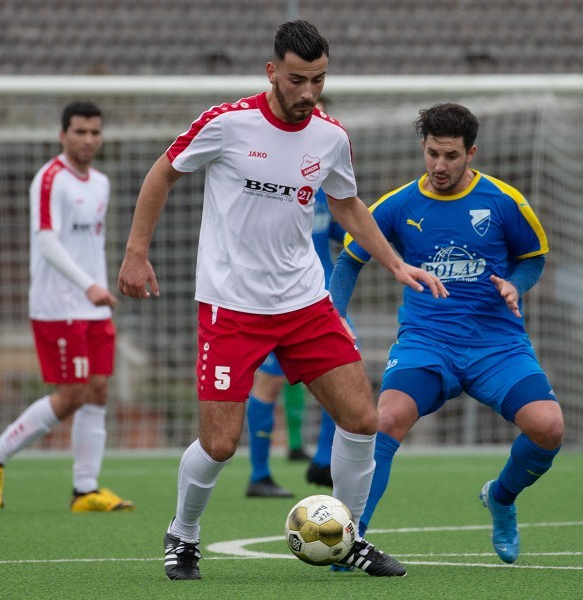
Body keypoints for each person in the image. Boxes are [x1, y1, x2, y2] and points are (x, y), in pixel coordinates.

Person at [116, 21, 446, 580]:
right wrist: (135, 251)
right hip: (231, 306)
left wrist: (395, 263)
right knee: (220, 444)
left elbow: (346, 203)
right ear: (272, 72)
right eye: (297, 79)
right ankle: (184, 533)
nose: (309, 92)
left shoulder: (330, 137)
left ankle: (350, 538)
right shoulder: (227, 123)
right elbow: (163, 174)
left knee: (362, 419)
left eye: (318, 80)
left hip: (304, 302)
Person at [328, 103, 564, 565]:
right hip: (426, 342)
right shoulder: (398, 205)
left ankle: (501, 497)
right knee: (386, 420)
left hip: (497, 346)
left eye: (451, 156)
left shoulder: (504, 201)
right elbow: (348, 261)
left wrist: (515, 285)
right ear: (423, 147)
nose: (439, 165)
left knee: (549, 427)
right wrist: (335, 316)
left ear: (471, 153)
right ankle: (352, 539)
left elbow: (533, 258)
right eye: (432, 153)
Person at [0, 101, 134, 513]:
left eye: (95, 132)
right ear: (63, 135)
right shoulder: (50, 179)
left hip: (94, 307)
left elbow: (90, 245)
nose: (88, 139)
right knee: (72, 394)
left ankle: (85, 489)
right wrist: (88, 285)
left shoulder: (101, 182)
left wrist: (98, 289)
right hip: (59, 306)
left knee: (98, 389)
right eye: (80, 132)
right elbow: (46, 242)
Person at [246, 97, 342, 497]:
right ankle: (259, 475)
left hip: (325, 297)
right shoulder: (274, 179)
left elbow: (339, 232)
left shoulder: (327, 185)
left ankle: (324, 462)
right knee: (268, 384)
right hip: (280, 298)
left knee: (343, 376)